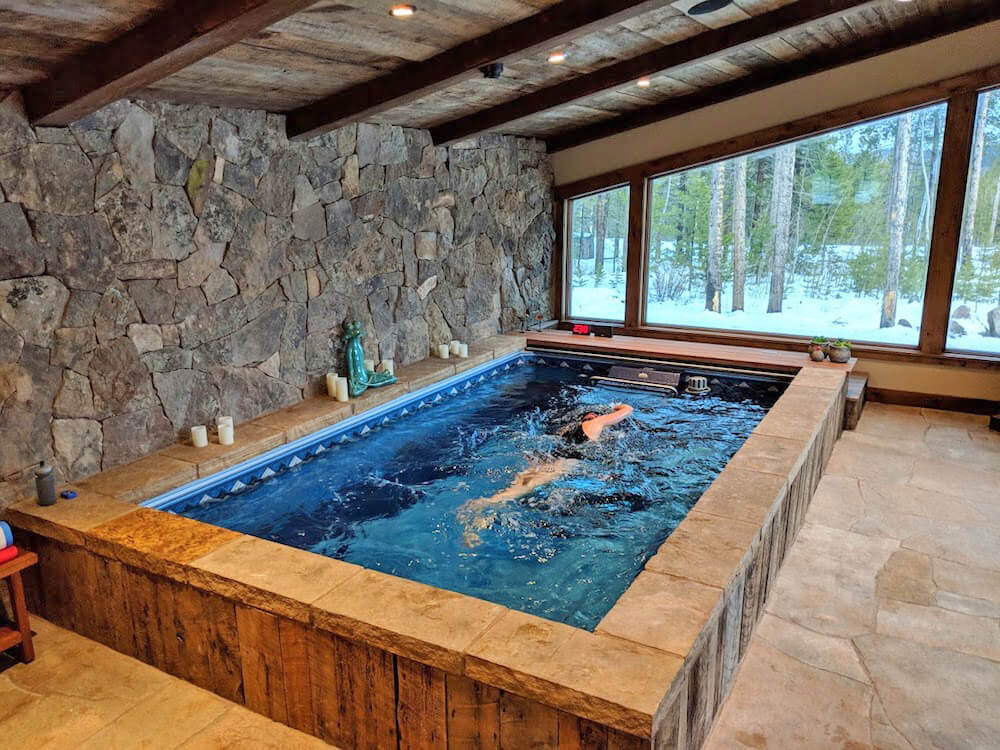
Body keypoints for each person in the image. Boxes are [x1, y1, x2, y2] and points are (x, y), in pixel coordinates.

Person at [458, 404, 633, 547]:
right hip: (560, 466)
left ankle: (478, 517)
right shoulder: (595, 423)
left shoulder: (569, 431)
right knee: (511, 495)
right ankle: (477, 509)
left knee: (514, 491)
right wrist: (618, 406)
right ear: (593, 416)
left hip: (546, 462)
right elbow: (628, 410)